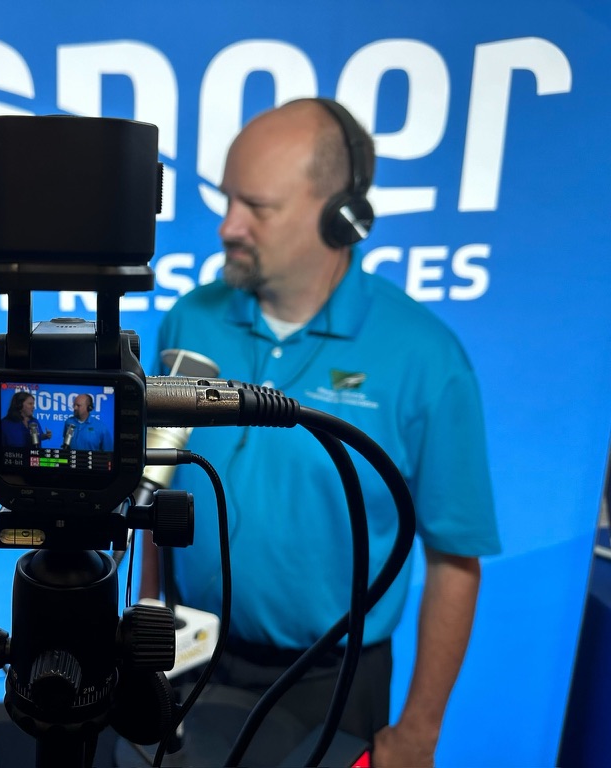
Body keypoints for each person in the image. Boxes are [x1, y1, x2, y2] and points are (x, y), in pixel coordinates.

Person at [141, 98, 500, 767]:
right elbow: (156, 488)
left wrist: (419, 731)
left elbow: (455, 560)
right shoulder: (190, 320)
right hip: (188, 659)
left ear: (341, 217)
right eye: (227, 199)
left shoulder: (426, 357)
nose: (227, 226)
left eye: (256, 206)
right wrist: (145, 616)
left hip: (334, 682)